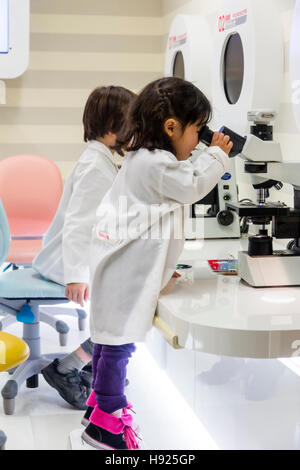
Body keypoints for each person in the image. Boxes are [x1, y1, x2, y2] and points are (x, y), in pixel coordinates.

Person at [81, 76, 233, 450]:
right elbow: (192, 185)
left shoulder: (146, 158)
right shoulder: (156, 164)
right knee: (118, 345)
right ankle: (104, 423)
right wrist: (217, 153)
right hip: (122, 272)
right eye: (197, 131)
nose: (199, 140)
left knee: (108, 340)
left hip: (120, 266)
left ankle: (95, 406)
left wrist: (163, 272)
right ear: (171, 127)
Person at [32, 86, 135, 409]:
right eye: (132, 123)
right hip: (65, 263)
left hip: (73, 256)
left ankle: (95, 366)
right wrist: (76, 276)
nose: (137, 130)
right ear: (111, 127)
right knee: (127, 310)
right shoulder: (96, 166)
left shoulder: (99, 158)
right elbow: (78, 226)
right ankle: (67, 369)